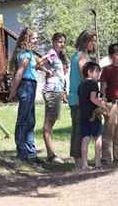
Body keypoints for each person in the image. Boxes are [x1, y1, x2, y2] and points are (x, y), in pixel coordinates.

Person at [8, 28, 42, 164]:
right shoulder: (26, 55)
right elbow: (19, 73)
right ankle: (22, 152)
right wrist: (13, 91)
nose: (36, 41)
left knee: (31, 120)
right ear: (27, 39)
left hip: (31, 86)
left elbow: (34, 67)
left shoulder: (29, 54)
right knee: (23, 120)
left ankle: (31, 152)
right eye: (34, 38)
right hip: (26, 86)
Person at [68, 30, 98, 168]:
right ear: (85, 41)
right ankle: (79, 161)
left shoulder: (80, 56)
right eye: (92, 40)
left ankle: (79, 160)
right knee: (80, 130)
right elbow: (85, 77)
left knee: (77, 129)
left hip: (77, 98)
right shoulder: (81, 57)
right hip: (80, 99)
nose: (94, 43)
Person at [40, 32, 69, 164]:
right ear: (53, 42)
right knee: (49, 122)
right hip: (51, 90)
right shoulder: (51, 53)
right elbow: (39, 63)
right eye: (59, 42)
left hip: (57, 90)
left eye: (63, 42)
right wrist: (47, 71)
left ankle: (51, 153)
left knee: (52, 121)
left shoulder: (59, 55)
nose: (62, 44)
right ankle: (51, 155)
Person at [78, 62, 109, 170]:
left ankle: (84, 164)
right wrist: (103, 106)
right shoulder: (93, 84)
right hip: (93, 113)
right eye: (97, 73)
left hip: (83, 114)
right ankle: (97, 161)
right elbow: (93, 98)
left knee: (85, 138)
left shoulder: (81, 84)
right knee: (98, 137)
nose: (98, 75)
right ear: (89, 72)